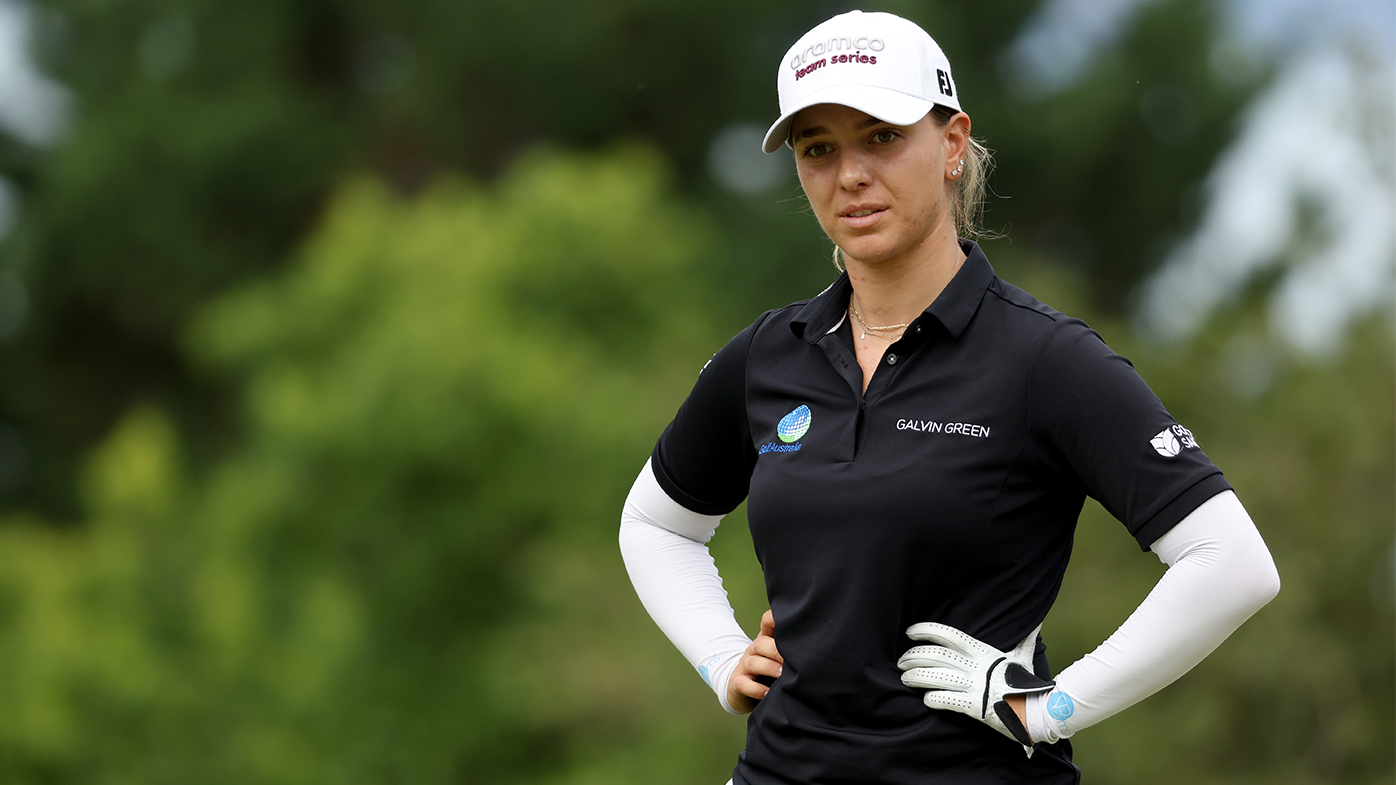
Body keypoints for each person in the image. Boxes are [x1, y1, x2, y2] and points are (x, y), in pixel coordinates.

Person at [619, 10, 1280, 785]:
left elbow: (1231, 562)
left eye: (882, 137)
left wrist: (1052, 707)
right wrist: (722, 658)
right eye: (818, 149)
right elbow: (656, 523)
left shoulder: (1044, 358)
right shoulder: (769, 355)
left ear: (954, 144)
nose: (851, 174)